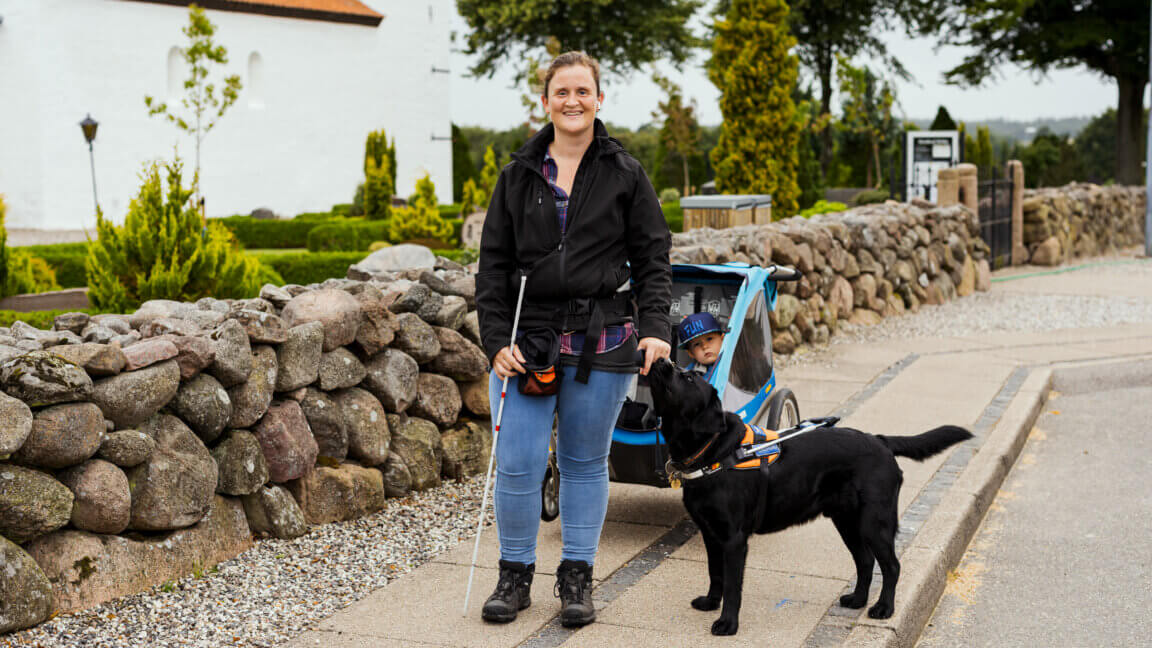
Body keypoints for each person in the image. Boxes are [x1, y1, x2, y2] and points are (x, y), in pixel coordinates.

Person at [475, 51, 672, 628]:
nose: (572, 101)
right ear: (546, 101)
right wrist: (494, 342)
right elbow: (492, 269)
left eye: (583, 91)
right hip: (525, 340)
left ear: (599, 99)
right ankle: (514, 578)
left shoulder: (624, 172)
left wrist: (656, 328)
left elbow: (653, 257)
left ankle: (577, 577)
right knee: (517, 463)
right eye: (562, 92)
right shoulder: (517, 175)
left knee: (586, 462)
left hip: (602, 339)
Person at [677, 312, 727, 381]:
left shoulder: (734, 363)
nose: (704, 346)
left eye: (709, 339)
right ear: (691, 353)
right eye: (697, 344)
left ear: (722, 339)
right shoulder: (688, 376)